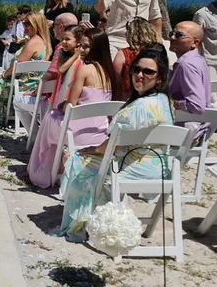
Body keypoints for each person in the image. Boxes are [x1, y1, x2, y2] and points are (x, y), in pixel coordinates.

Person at [57, 46, 174, 242]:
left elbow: (114, 145)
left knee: (74, 159)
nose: (140, 75)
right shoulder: (163, 101)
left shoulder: (139, 108)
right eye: (136, 69)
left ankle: (83, 223)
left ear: (159, 78)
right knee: (86, 159)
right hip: (159, 169)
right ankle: (94, 215)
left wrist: (89, 150)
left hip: (132, 168)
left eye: (148, 71)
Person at [29, 28, 117, 189]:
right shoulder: (111, 72)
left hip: (77, 133)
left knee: (51, 116)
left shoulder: (85, 69)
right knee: (54, 117)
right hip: (101, 132)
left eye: (86, 46)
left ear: (96, 47)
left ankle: (42, 170)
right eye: (81, 46)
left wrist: (62, 105)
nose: (82, 50)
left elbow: (71, 105)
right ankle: (56, 169)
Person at [0, 12, 53, 127]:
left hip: (23, 86)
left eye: (28, 24)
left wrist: (3, 75)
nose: (24, 26)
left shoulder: (33, 43)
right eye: (24, 23)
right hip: (34, 85)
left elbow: (17, 67)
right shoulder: (45, 42)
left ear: (36, 25)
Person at [167, 21, 211, 139]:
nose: (172, 37)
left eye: (179, 35)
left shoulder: (186, 65)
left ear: (195, 43)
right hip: (197, 127)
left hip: (186, 131)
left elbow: (196, 105)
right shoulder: (197, 59)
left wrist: (172, 103)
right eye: (172, 33)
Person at [113, 17, 163, 100]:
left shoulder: (123, 54)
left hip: (127, 99)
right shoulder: (159, 53)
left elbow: (115, 81)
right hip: (154, 98)